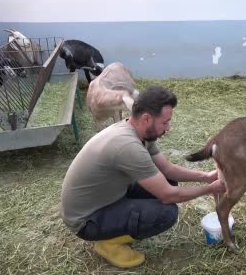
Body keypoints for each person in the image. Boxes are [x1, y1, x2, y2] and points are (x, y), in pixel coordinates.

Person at [61, 86, 225, 268]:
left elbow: (168, 169)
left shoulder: (140, 133)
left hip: (107, 197)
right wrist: (209, 189)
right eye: (165, 122)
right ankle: (108, 243)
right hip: (87, 221)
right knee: (166, 214)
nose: (168, 128)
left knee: (168, 180)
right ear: (147, 118)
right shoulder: (127, 146)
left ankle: (117, 227)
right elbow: (168, 195)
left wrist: (206, 176)